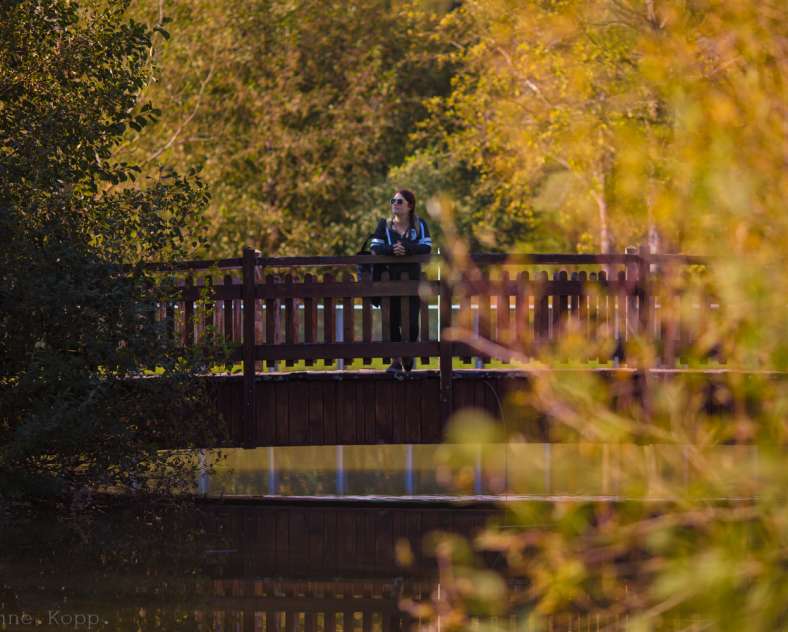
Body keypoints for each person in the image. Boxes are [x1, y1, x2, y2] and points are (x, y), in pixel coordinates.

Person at [369, 189, 432, 373]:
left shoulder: (420, 225)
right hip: (388, 281)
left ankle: (408, 356)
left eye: (399, 201)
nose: (395, 204)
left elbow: (426, 248)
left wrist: (406, 248)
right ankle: (397, 360)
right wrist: (392, 250)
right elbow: (375, 248)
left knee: (412, 323)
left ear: (409, 206)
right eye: (393, 200)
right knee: (392, 322)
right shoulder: (384, 225)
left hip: (413, 282)